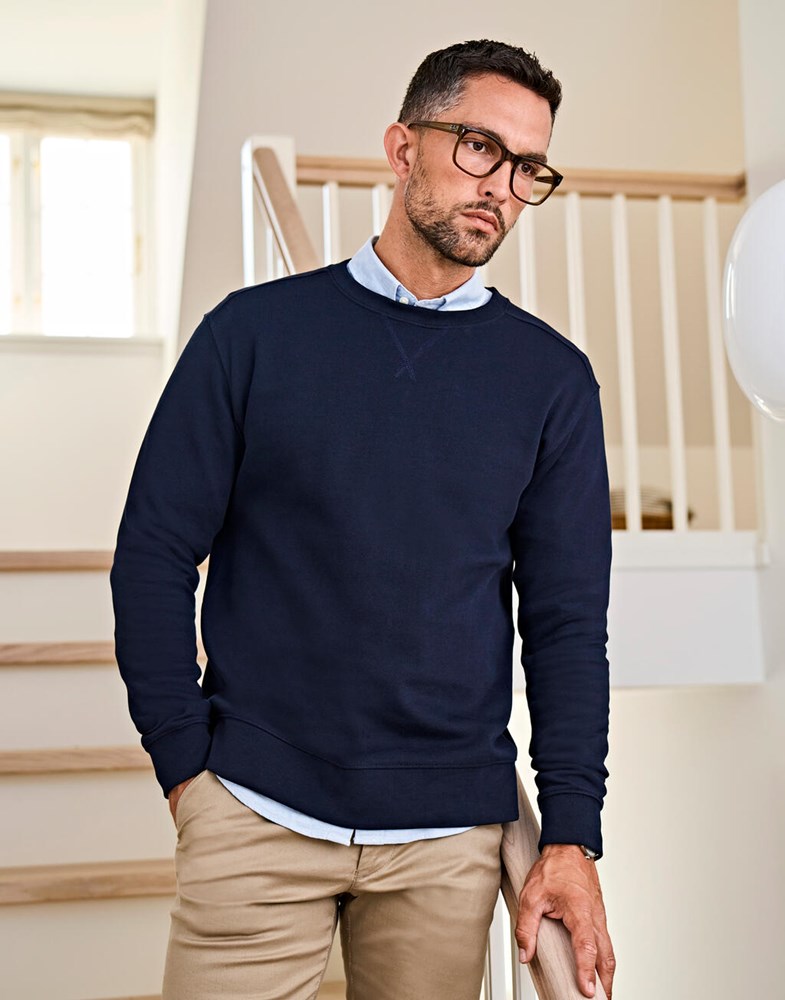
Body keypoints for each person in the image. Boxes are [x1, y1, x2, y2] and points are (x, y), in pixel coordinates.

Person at [111, 38, 615, 1000]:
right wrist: (183, 764)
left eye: (527, 167)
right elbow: (153, 553)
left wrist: (571, 835)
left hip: (445, 844)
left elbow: (563, 624)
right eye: (479, 146)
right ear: (401, 147)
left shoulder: (551, 381)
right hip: (252, 815)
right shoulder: (251, 335)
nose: (501, 186)